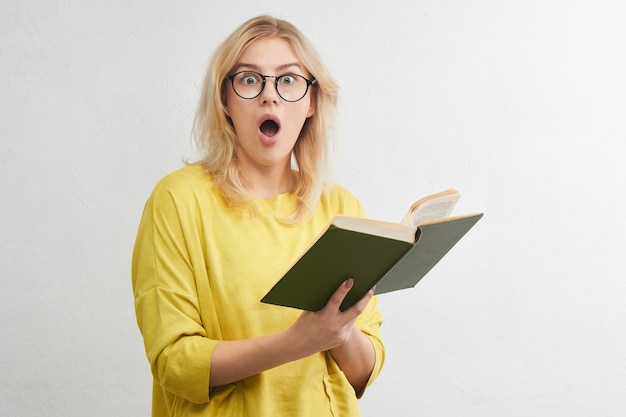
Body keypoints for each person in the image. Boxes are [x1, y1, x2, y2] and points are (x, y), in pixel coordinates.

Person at [132, 15, 385, 417]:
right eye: (250, 80)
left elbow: (362, 373)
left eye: (288, 80)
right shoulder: (178, 200)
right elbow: (174, 362)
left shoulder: (342, 209)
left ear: (311, 102)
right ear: (225, 100)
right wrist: (297, 341)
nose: (270, 96)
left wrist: (337, 330)